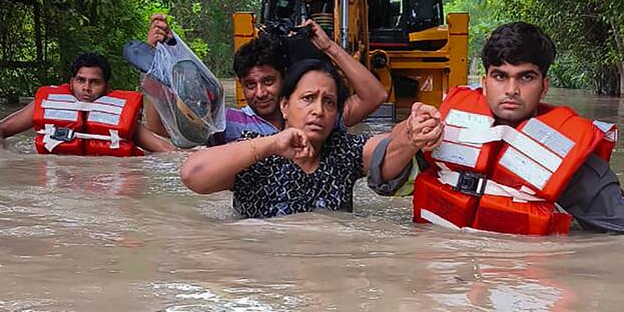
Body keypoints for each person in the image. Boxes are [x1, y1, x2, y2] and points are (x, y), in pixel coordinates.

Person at [409, 21, 624, 237]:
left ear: (544, 86)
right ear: (484, 83)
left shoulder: (572, 160)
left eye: (526, 77)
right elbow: (381, 177)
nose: (511, 90)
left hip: (521, 282)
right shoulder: (437, 128)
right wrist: (408, 138)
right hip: (444, 273)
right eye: (500, 76)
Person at [180, 59, 442, 218]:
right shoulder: (255, 152)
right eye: (307, 99)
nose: (319, 110)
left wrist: (411, 134)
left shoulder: (343, 151)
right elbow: (193, 174)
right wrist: (272, 143)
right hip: (264, 278)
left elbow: (387, 149)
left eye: (329, 102)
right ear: (284, 105)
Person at [144, 13, 388, 145]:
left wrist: (329, 47)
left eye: (268, 82)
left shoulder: (314, 116)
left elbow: (375, 96)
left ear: (285, 77)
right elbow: (160, 130)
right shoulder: (228, 124)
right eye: (250, 85)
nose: (260, 93)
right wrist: (154, 62)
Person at [0, 52, 176, 154]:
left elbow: (166, 150)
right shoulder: (47, 105)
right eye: (81, 80)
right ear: (71, 82)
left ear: (106, 87)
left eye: (95, 82)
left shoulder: (119, 118)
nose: (87, 87)